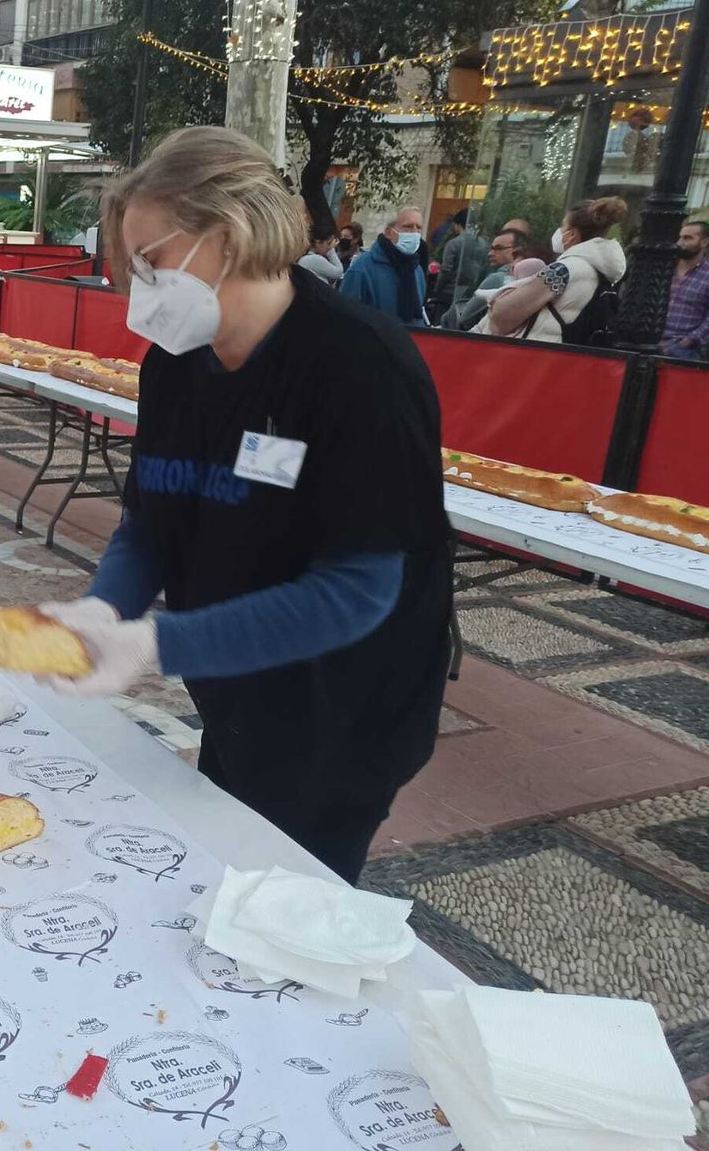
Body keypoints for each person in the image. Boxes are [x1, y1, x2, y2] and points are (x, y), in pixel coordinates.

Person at [28, 126, 451, 884]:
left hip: (342, 711)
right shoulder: (177, 364)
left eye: (151, 260)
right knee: (222, 865)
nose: (138, 286)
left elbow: (356, 592)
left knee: (283, 904)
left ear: (225, 236)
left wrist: (155, 645)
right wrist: (105, 607)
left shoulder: (360, 367)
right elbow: (153, 520)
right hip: (234, 686)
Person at [484, 196, 627, 343]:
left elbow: (502, 317)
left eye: (563, 226)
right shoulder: (601, 271)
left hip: (539, 351)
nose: (559, 231)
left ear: (572, 235)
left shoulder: (562, 271)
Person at [339, 206, 428, 326]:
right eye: (408, 227)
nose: (415, 233)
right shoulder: (362, 269)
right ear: (389, 232)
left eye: (419, 228)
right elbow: (346, 317)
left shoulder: (417, 270)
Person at [658, 221, 709, 359]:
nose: (680, 243)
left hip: (683, 348)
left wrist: (687, 341)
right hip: (652, 340)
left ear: (704, 242)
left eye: (688, 238)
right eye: (680, 237)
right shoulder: (667, 268)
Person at [445, 227, 526, 329]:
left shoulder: (498, 279)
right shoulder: (533, 278)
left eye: (498, 248)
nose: (490, 253)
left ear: (517, 251)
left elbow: (463, 318)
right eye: (491, 249)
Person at [432, 207, 486, 318]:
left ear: (457, 225)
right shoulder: (483, 244)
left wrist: (436, 289)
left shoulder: (453, 243)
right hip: (472, 291)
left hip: (449, 292)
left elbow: (446, 270)